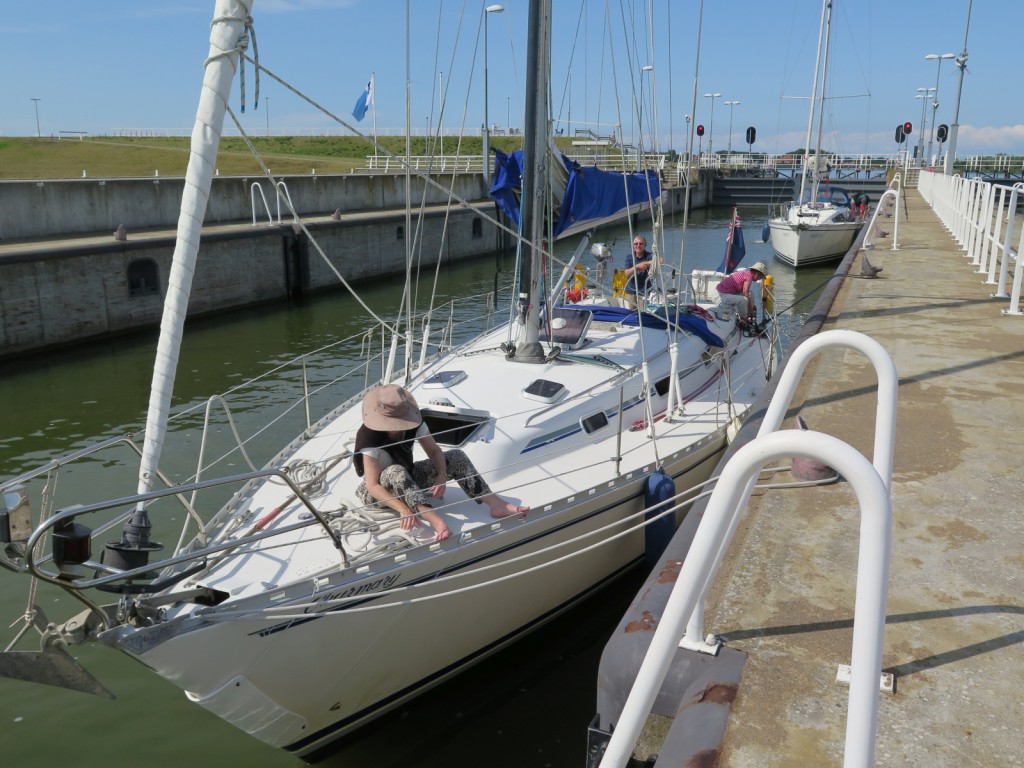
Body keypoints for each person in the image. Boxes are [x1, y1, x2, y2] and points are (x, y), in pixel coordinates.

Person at [353, 384, 528, 541]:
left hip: (407, 477)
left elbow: (434, 451)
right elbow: (372, 485)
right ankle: (435, 521)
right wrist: (402, 508)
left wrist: (441, 475)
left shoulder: (414, 422)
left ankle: (497, 505)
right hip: (375, 493)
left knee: (456, 456)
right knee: (395, 470)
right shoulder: (368, 436)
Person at [623, 235, 663, 305]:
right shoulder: (629, 257)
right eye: (636, 244)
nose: (638, 245)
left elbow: (661, 261)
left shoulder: (649, 256)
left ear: (645, 245)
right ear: (633, 245)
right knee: (633, 313)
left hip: (645, 292)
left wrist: (645, 263)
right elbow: (627, 273)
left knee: (643, 313)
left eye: (641, 243)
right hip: (631, 291)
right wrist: (637, 266)